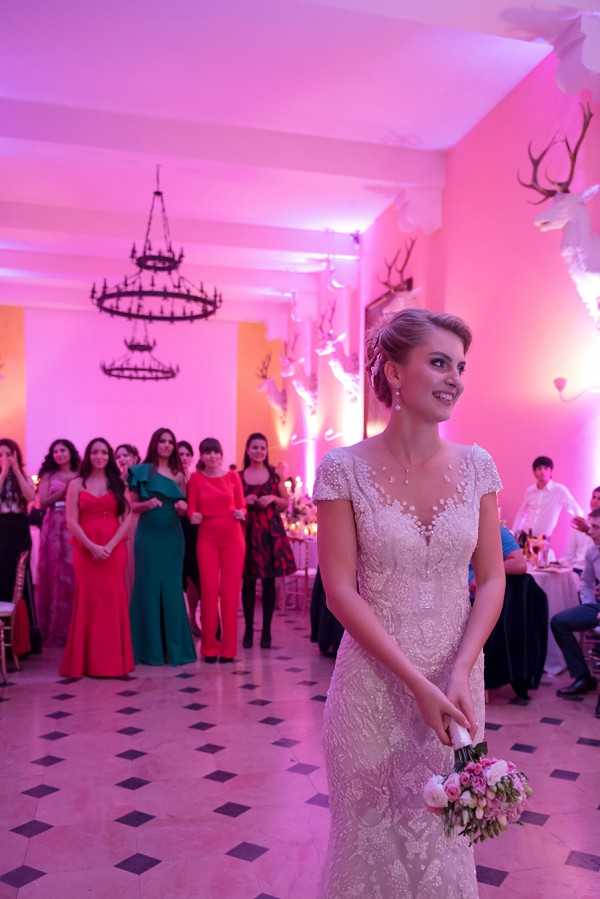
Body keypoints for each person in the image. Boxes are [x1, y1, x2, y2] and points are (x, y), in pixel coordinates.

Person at [313, 308, 505, 898]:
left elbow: (492, 579)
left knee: (445, 841)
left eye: (460, 367)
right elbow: (340, 589)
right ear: (395, 373)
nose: (454, 379)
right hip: (372, 691)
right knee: (370, 843)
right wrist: (414, 684)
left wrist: (460, 668)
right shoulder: (343, 469)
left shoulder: (478, 468)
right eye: (439, 362)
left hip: (455, 686)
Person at [60, 438, 134, 678]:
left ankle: (113, 663)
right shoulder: (76, 484)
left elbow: (128, 520)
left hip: (114, 551)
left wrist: (110, 546)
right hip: (85, 550)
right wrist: (91, 547)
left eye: (103, 452)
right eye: (94, 452)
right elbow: (71, 521)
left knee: (113, 601)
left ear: (109, 456)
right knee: (89, 601)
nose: (99, 456)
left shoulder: (118, 483)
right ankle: (86, 663)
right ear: (88, 455)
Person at [128, 428, 196, 666]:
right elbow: (132, 506)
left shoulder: (180, 474)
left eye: (170, 442)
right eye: (162, 441)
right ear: (154, 443)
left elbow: (186, 505)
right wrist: (147, 504)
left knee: (171, 589)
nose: (166, 445)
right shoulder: (141, 470)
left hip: (172, 536)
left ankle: (174, 650)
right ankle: (149, 651)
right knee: (146, 588)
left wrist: (182, 507)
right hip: (147, 535)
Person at [187, 438, 246, 663]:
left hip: (233, 537)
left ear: (221, 454)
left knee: (230, 593)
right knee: (209, 592)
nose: (212, 456)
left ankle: (229, 648)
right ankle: (209, 647)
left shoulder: (233, 477)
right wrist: (193, 515)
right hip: (207, 538)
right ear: (201, 456)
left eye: (215, 452)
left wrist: (241, 512)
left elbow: (242, 506)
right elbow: (192, 510)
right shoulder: (195, 479)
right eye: (207, 453)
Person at [241, 432, 296, 649]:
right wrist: (245, 500)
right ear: (248, 450)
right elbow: (232, 503)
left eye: (262, 448)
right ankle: (247, 630)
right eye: (255, 447)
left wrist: (272, 498)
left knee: (269, 582)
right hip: (246, 532)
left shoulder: (274, 476)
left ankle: (266, 632)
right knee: (247, 582)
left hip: (270, 534)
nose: (259, 451)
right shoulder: (238, 476)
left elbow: (285, 503)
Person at [551, 506, 600, 717]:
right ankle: (583, 677)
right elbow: (586, 583)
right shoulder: (592, 552)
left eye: (596, 528)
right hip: (596, 607)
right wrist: (589, 604)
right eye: (592, 527)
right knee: (559, 622)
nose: (591, 531)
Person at [36, 439, 80, 646]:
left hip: (75, 523)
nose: (59, 454)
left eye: (63, 450)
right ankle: (54, 629)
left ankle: (75, 626)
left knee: (73, 574)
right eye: (55, 451)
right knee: (54, 574)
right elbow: (42, 502)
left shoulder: (80, 474)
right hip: (54, 524)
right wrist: (64, 492)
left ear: (70, 452)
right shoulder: (48, 475)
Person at [0, 439, 36, 658]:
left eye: (8, 453)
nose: (5, 457)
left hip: (19, 528)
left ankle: (21, 641)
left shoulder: (23, 474)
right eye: (0, 454)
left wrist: (14, 469)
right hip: (1, 526)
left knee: (20, 581)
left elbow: (31, 498)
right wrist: (4, 472)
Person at [512, 456, 583, 541]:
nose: (542, 471)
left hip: (542, 540)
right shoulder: (530, 490)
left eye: (546, 468)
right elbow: (522, 513)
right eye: (539, 468)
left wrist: (585, 526)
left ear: (551, 471)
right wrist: (514, 532)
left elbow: (574, 507)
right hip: (524, 535)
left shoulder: (559, 490)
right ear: (534, 472)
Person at [177, 440, 201, 637]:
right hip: (173, 530)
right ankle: (179, 620)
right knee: (176, 577)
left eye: (187, 454)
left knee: (194, 577)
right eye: (180, 454)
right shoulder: (168, 479)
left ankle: (193, 618)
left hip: (194, 531)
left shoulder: (196, 479)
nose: (183, 457)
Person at [114, 444, 141, 598]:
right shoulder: (114, 481)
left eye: (125, 455)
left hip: (138, 525)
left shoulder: (142, 478)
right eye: (118, 456)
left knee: (136, 567)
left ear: (135, 458)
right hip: (118, 526)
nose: (122, 459)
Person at [565, 485, 600, 573]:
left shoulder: (585, 526)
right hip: (575, 570)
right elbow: (569, 555)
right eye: (593, 497)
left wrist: (587, 530)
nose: (595, 501)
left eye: (599, 499)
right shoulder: (581, 522)